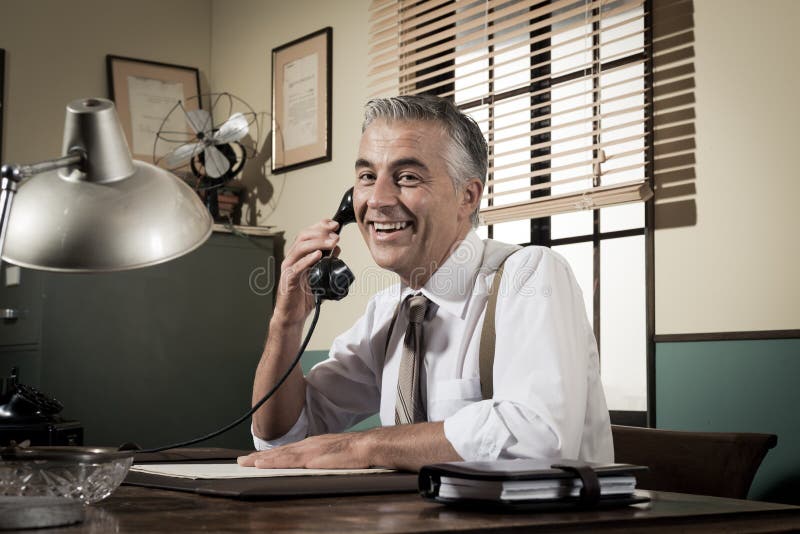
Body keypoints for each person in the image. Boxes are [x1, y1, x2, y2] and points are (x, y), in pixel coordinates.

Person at [237, 95, 613, 472]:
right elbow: (281, 435)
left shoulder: (530, 275)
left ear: (468, 196)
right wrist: (285, 323)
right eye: (367, 177)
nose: (378, 200)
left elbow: (538, 437)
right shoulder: (387, 312)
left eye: (407, 178)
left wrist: (364, 447)